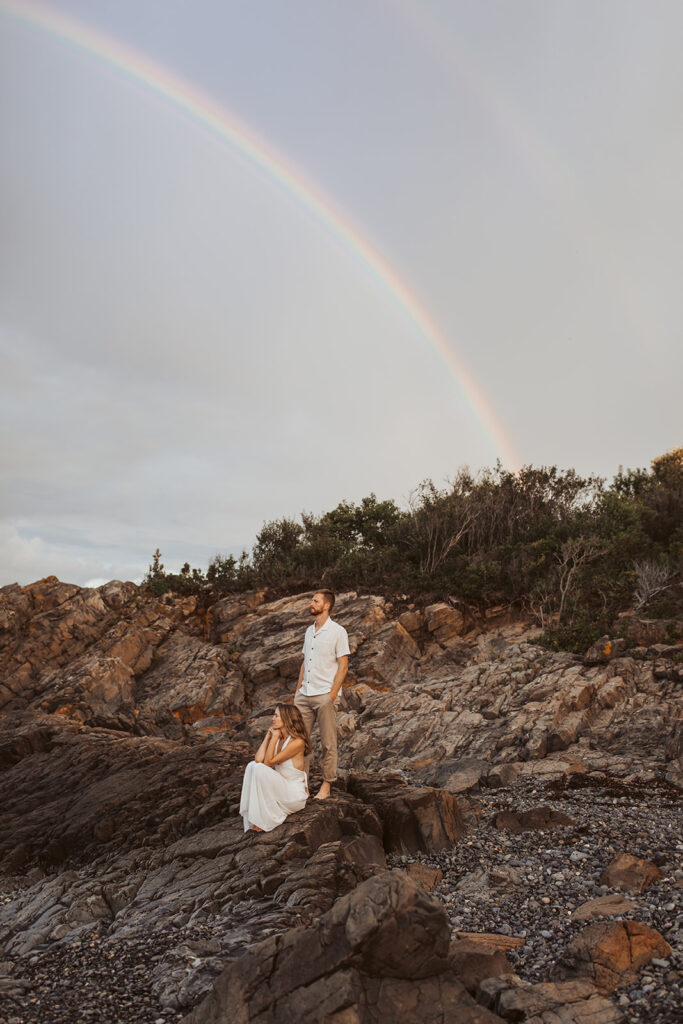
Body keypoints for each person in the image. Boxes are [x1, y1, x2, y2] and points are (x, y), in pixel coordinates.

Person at [294, 589, 350, 800]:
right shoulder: (309, 631)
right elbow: (304, 661)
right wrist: (297, 690)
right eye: (312, 600)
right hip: (304, 695)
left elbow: (343, 665)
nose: (311, 603)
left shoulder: (338, 632)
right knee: (300, 743)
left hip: (324, 696)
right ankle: (302, 786)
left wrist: (332, 695)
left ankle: (326, 786)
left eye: (315, 601)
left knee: (328, 744)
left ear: (326, 605)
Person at [240, 703, 311, 833]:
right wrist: (268, 737)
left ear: (287, 718)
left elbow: (267, 763)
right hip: (282, 788)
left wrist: (275, 737)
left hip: (294, 795)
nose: (273, 719)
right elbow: (258, 759)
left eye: (276, 716)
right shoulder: (278, 739)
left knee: (259, 769)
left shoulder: (297, 742)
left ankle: (265, 820)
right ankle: (255, 817)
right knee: (252, 766)